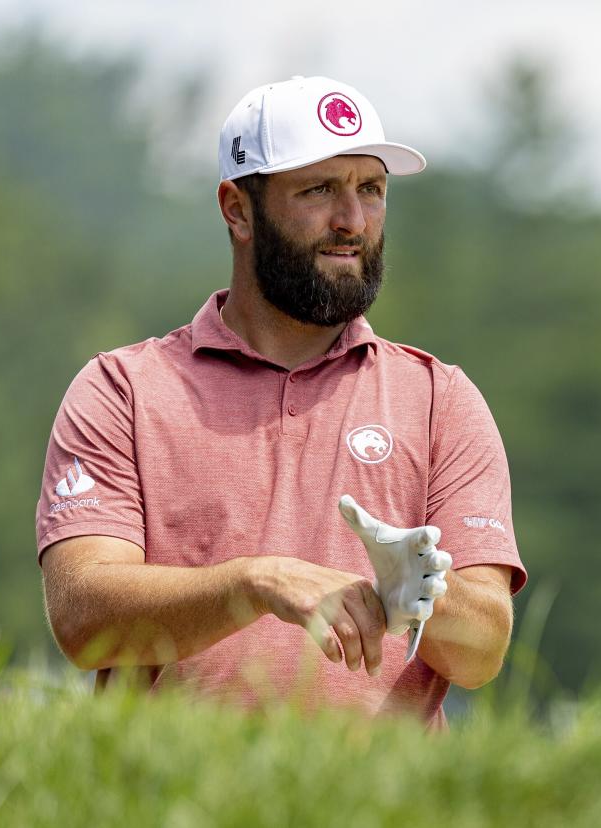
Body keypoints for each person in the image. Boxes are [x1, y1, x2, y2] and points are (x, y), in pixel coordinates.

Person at [35, 76, 526, 727]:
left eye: (370, 189)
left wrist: (421, 591)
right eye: (319, 189)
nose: (352, 219)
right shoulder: (121, 391)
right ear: (237, 209)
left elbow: (484, 650)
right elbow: (82, 615)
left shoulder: (440, 399)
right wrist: (254, 584)